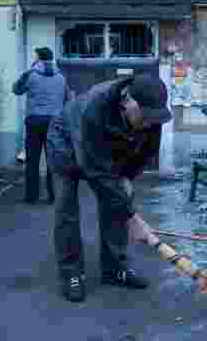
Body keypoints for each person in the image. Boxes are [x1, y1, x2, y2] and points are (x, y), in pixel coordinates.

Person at [45, 73, 173, 302]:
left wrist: (127, 177)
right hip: (65, 142)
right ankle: (71, 273)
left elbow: (146, 152)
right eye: (144, 117)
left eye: (153, 119)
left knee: (116, 201)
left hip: (105, 149)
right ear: (127, 100)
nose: (148, 124)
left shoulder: (151, 113)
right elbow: (97, 172)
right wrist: (133, 219)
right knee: (66, 209)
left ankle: (114, 269)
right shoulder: (95, 109)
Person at [12, 46, 70, 204]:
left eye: (35, 56)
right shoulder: (61, 77)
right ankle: (54, 195)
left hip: (35, 122)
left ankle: (32, 196)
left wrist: (25, 74)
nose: (34, 58)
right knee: (53, 160)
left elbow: (16, 90)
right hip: (54, 123)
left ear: (39, 58)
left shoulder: (31, 75)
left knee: (32, 159)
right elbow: (68, 98)